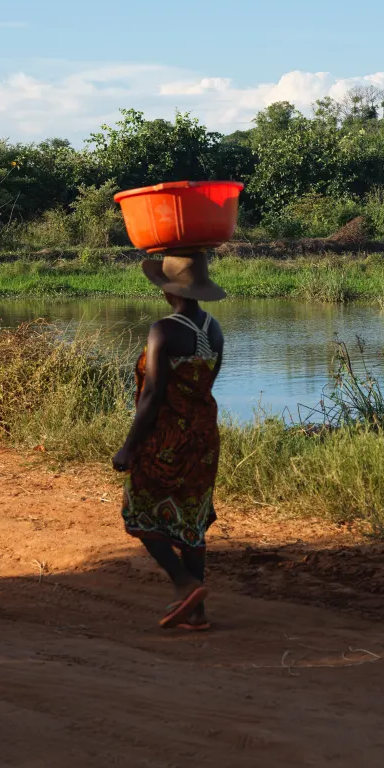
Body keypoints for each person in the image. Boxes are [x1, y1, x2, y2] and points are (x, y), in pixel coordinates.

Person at [112, 253, 225, 630]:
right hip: (204, 438)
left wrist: (129, 446)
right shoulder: (214, 329)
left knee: (138, 509)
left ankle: (183, 582)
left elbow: (152, 394)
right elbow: (205, 385)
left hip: (167, 439)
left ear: (168, 291)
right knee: (192, 517)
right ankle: (196, 612)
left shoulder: (163, 330)